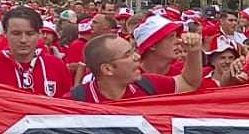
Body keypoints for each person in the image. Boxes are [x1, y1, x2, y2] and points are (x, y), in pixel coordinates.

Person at [71, 32, 204, 102]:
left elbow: (189, 83)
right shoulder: (77, 101)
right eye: (128, 54)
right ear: (107, 69)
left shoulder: (148, 85)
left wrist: (194, 52)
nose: (137, 57)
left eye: (133, 51)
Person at [0, 7, 69, 98]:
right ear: (5, 34)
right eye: (16, 33)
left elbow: (69, 105)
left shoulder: (57, 66)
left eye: (30, 34)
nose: (23, 40)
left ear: (39, 34)